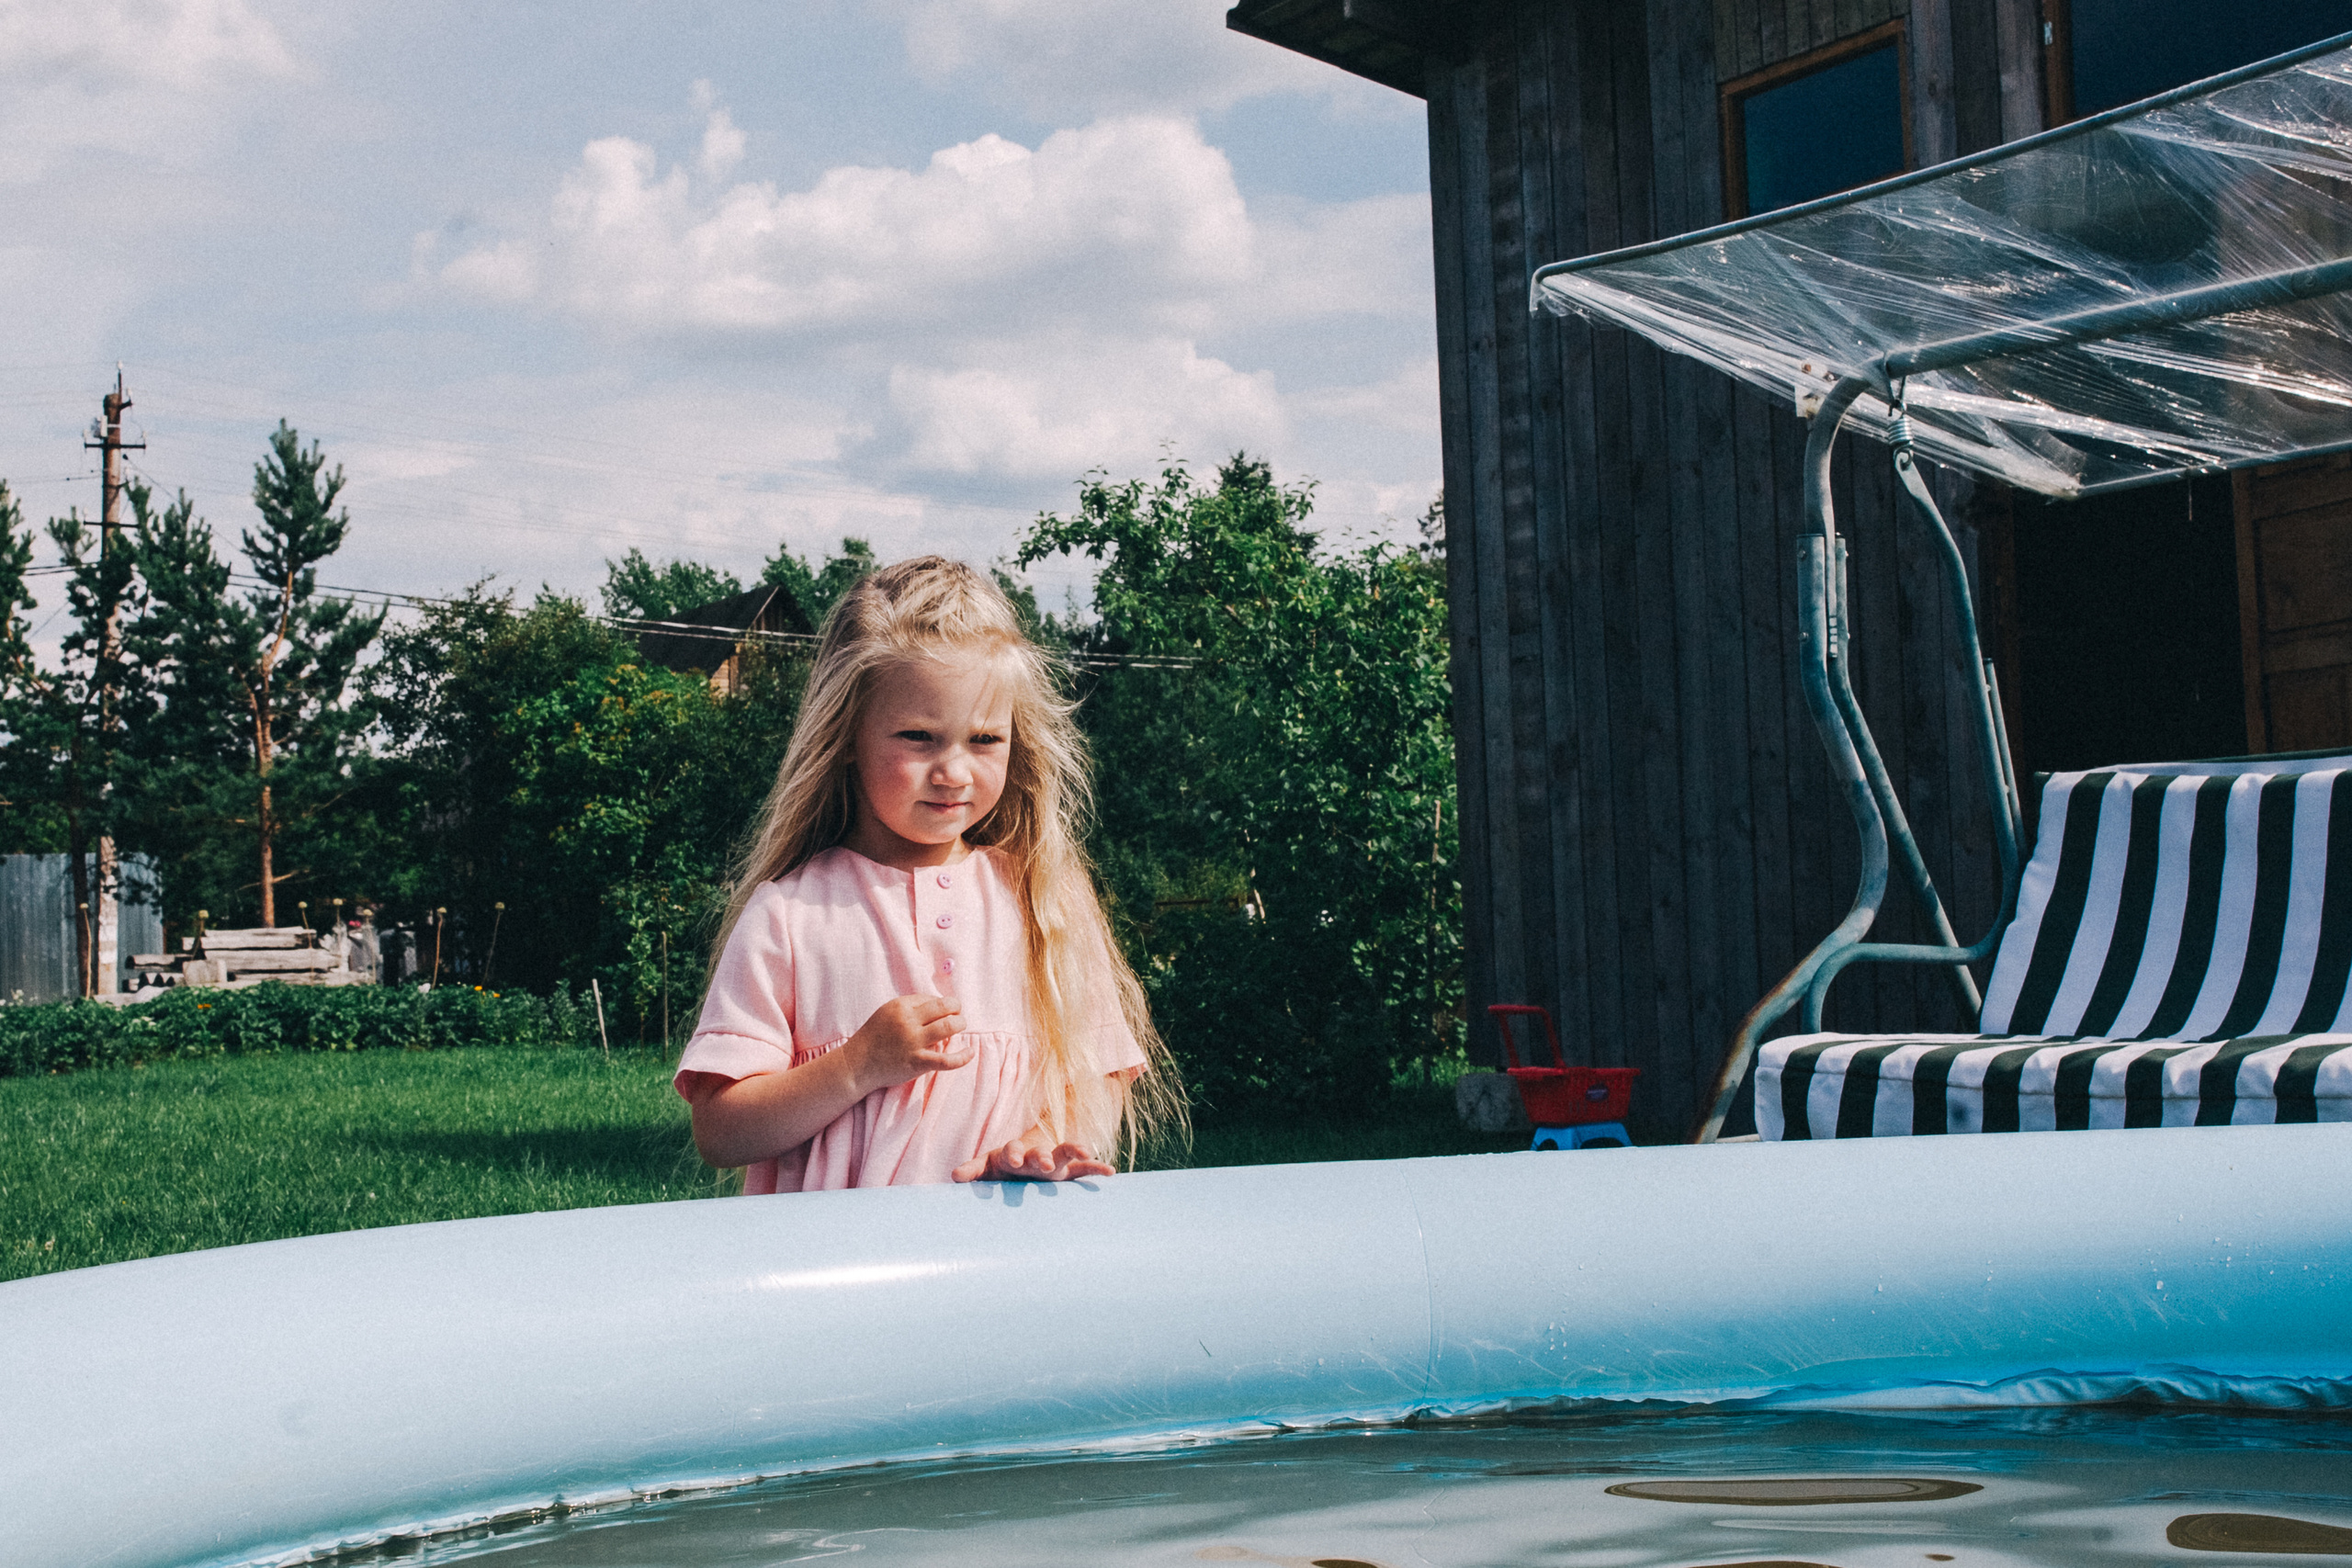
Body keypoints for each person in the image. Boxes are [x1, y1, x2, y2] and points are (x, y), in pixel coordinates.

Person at [676, 556, 1183, 1191]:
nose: (953, 771)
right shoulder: (790, 913)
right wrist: (856, 1066)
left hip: (1004, 1265)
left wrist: (1048, 1140)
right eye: (918, 736)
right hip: (845, 1274)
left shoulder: (1043, 895)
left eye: (984, 739)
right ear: (846, 736)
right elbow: (720, 1130)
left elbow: (1101, 1077)